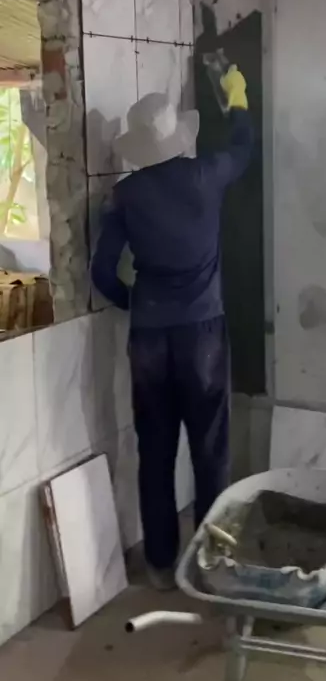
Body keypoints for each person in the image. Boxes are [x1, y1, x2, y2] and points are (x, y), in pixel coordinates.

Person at [91, 66, 253, 590]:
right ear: (177, 136)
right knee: (210, 450)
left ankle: (161, 564)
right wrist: (238, 98)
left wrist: (135, 304)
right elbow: (244, 148)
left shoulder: (125, 195)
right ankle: (209, 564)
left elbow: (101, 272)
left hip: (149, 337)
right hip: (202, 332)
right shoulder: (205, 175)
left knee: (156, 452)